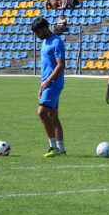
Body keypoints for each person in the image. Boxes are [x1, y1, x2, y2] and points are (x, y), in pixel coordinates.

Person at [31, 17, 66, 157]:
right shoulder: (44, 42)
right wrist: (41, 84)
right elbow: (46, 66)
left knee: (41, 113)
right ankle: (61, 148)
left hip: (54, 83)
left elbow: (60, 64)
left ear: (44, 28)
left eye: (37, 32)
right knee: (53, 116)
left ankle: (53, 147)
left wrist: (47, 82)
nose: (37, 35)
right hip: (47, 83)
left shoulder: (56, 42)